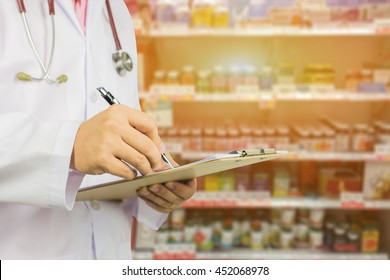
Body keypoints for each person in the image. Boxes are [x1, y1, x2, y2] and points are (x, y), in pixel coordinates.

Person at [0, 0, 196, 259]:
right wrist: (69, 147)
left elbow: (113, 129)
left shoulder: (115, 12)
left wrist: (152, 178)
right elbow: (82, 143)